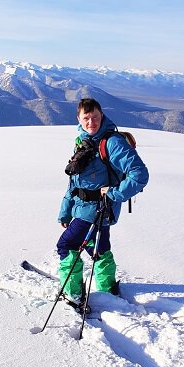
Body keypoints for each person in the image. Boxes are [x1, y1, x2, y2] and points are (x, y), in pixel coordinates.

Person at [56, 98, 149, 306]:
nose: (91, 122)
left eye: (95, 117)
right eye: (86, 118)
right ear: (79, 119)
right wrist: (66, 209)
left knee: (66, 244)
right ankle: (108, 289)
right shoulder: (83, 141)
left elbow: (140, 174)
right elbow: (75, 181)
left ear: (102, 115)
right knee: (97, 247)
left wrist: (114, 194)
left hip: (97, 210)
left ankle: (73, 294)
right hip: (86, 208)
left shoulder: (112, 142)